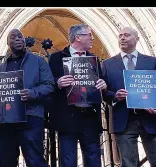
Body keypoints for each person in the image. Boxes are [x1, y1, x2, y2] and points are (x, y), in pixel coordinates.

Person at [102, 27, 156, 167]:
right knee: (128, 163)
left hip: (151, 119)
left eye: (126, 35)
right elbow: (104, 92)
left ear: (137, 39)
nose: (122, 38)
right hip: (124, 120)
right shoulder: (108, 64)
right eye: (120, 35)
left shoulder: (153, 62)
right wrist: (115, 96)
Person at [0, 29, 54, 167]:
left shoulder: (38, 61)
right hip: (5, 121)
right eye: (13, 37)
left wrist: (32, 93)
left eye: (20, 36)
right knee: (6, 162)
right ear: (8, 43)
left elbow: (49, 85)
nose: (18, 39)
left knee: (35, 161)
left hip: (31, 117)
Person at [48, 23, 106, 167]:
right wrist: (58, 82)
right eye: (89, 35)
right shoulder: (56, 58)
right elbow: (47, 83)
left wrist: (103, 85)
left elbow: (102, 82)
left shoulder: (94, 59)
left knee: (93, 160)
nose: (92, 38)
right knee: (68, 161)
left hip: (89, 117)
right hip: (67, 118)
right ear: (78, 37)